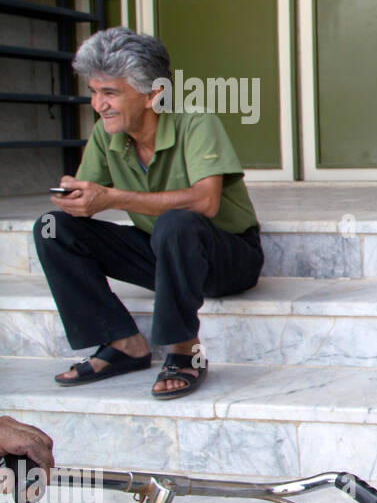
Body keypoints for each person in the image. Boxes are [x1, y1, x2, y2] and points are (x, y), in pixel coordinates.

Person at [33, 27, 263, 399]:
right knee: (51, 227)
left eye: (110, 93)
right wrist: (76, 199)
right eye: (93, 92)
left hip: (227, 257)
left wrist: (109, 198)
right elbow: (89, 204)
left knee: (178, 220)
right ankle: (123, 343)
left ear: (153, 94)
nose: (98, 104)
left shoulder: (196, 122)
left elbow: (206, 202)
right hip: (163, 253)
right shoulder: (105, 133)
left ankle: (184, 350)